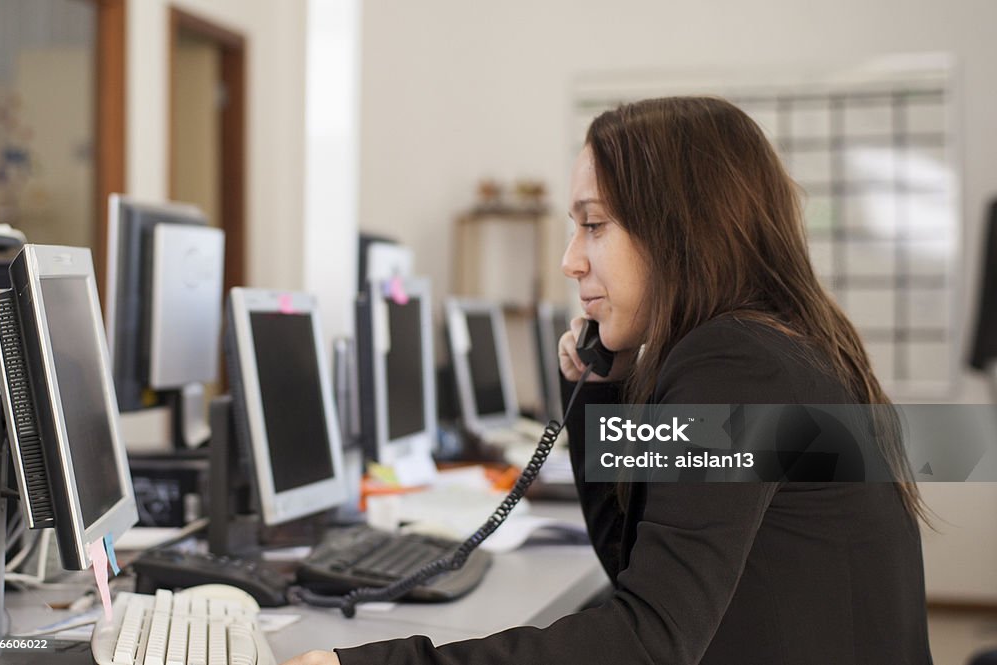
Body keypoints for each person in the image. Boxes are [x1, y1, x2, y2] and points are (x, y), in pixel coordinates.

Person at [283, 96, 933, 664]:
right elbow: (633, 567)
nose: (570, 260)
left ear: (681, 231)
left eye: (593, 224)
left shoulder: (733, 362)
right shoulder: (771, 345)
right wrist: (601, 386)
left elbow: (646, 641)